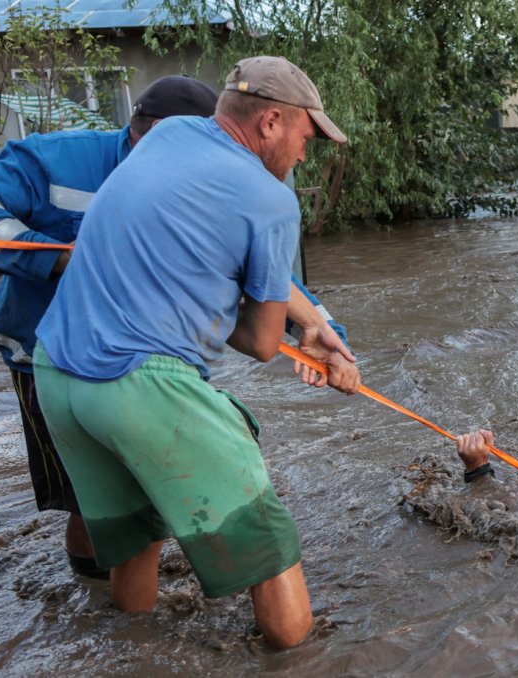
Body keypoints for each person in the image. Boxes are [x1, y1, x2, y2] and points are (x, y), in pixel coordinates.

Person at [33, 55, 357, 650]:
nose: (307, 154)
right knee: (269, 546)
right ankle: (303, 659)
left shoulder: (171, 133)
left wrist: (313, 326)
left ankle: (140, 656)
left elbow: (178, 243)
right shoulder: (272, 200)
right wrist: (296, 334)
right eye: (306, 137)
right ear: (270, 122)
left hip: (56, 374)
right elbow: (261, 343)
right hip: (139, 384)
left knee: (137, 542)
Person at [0, 75, 219, 579]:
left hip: (144, 358)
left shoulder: (200, 180)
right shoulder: (57, 159)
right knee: (87, 495)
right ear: (144, 136)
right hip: (43, 353)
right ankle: (94, 602)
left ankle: (126, 589)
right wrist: (59, 259)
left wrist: (316, 326)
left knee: (155, 479)